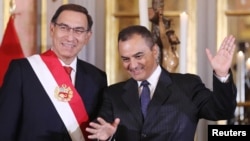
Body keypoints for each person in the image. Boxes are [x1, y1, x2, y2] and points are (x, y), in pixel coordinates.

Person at [86, 25, 237, 141]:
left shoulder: (187, 86)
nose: (132, 65)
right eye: (125, 59)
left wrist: (222, 74)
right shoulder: (113, 94)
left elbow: (222, 111)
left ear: (155, 51)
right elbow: (99, 132)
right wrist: (107, 137)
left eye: (138, 56)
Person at [0, 3, 107, 141]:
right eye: (64, 28)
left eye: (79, 30)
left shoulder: (97, 78)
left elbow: (98, 130)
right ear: (52, 29)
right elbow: (4, 129)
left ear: (88, 36)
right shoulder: (22, 71)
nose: (70, 37)